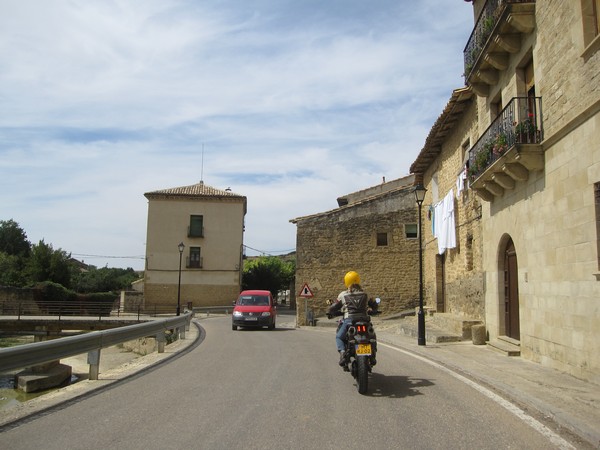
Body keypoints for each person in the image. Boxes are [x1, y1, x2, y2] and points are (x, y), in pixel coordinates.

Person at [327, 271, 377, 366]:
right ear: (358, 280)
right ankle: (373, 355)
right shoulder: (365, 293)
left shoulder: (343, 295)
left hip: (349, 320)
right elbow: (374, 305)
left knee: (339, 337)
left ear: (346, 281)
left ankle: (342, 353)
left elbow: (334, 307)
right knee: (372, 336)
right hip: (365, 320)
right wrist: (374, 310)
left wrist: (330, 312)